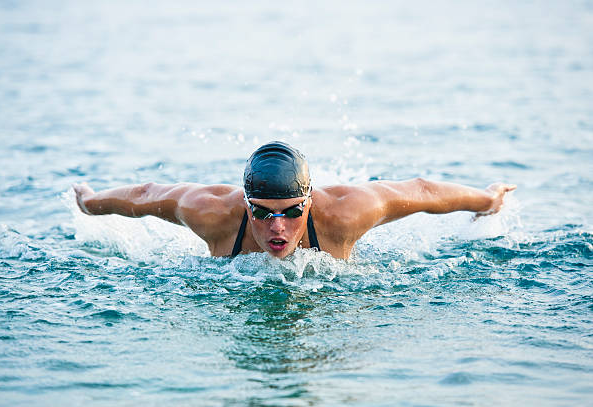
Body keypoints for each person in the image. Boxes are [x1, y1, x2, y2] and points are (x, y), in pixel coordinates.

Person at [73, 141, 516, 260]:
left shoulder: (344, 212)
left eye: (291, 214)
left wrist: (487, 201)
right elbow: (149, 195)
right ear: (245, 205)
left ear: (310, 202)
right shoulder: (213, 212)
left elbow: (419, 192)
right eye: (262, 214)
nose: (277, 228)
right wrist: (91, 203)